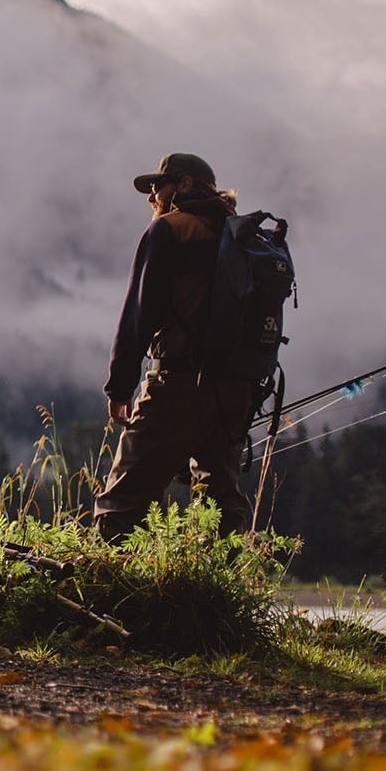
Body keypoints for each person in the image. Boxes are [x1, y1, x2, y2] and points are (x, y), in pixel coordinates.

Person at [93, 151, 252, 540]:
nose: (151, 197)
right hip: (237, 392)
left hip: (177, 385)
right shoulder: (242, 236)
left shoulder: (169, 230)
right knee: (220, 513)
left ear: (183, 185)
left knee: (120, 507)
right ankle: (216, 597)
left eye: (157, 186)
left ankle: (112, 599)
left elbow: (138, 316)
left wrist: (119, 387)